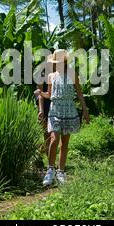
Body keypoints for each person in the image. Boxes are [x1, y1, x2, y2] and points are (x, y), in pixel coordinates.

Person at [35, 49, 90, 186]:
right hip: (55, 109)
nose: (58, 63)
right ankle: (50, 170)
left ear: (65, 61)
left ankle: (61, 172)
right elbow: (49, 94)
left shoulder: (72, 74)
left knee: (64, 143)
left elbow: (79, 93)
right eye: (56, 61)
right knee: (53, 140)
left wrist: (85, 110)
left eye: (60, 61)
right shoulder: (51, 76)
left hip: (69, 109)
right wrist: (41, 93)